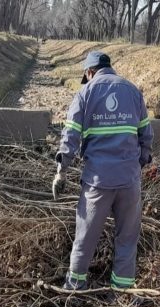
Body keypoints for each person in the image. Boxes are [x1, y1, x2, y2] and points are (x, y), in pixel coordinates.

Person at [52, 51, 153, 294]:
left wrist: (61, 171)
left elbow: (70, 137)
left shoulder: (85, 94)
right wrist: (137, 164)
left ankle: (75, 288)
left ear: (89, 72)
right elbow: (146, 136)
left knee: (85, 238)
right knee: (127, 239)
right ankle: (122, 292)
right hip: (129, 182)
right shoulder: (132, 91)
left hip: (98, 182)